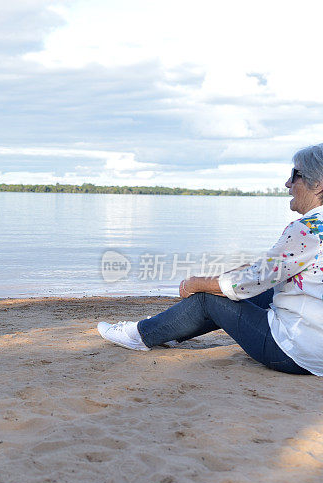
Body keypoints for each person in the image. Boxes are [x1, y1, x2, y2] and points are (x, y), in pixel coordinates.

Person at [98, 143, 323, 375]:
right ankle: (174, 328)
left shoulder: (308, 228)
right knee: (259, 290)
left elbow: (249, 281)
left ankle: (141, 335)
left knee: (208, 298)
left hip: (296, 353)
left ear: (317, 184)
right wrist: (235, 276)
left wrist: (195, 283)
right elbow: (272, 270)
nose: (288, 183)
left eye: (295, 175)